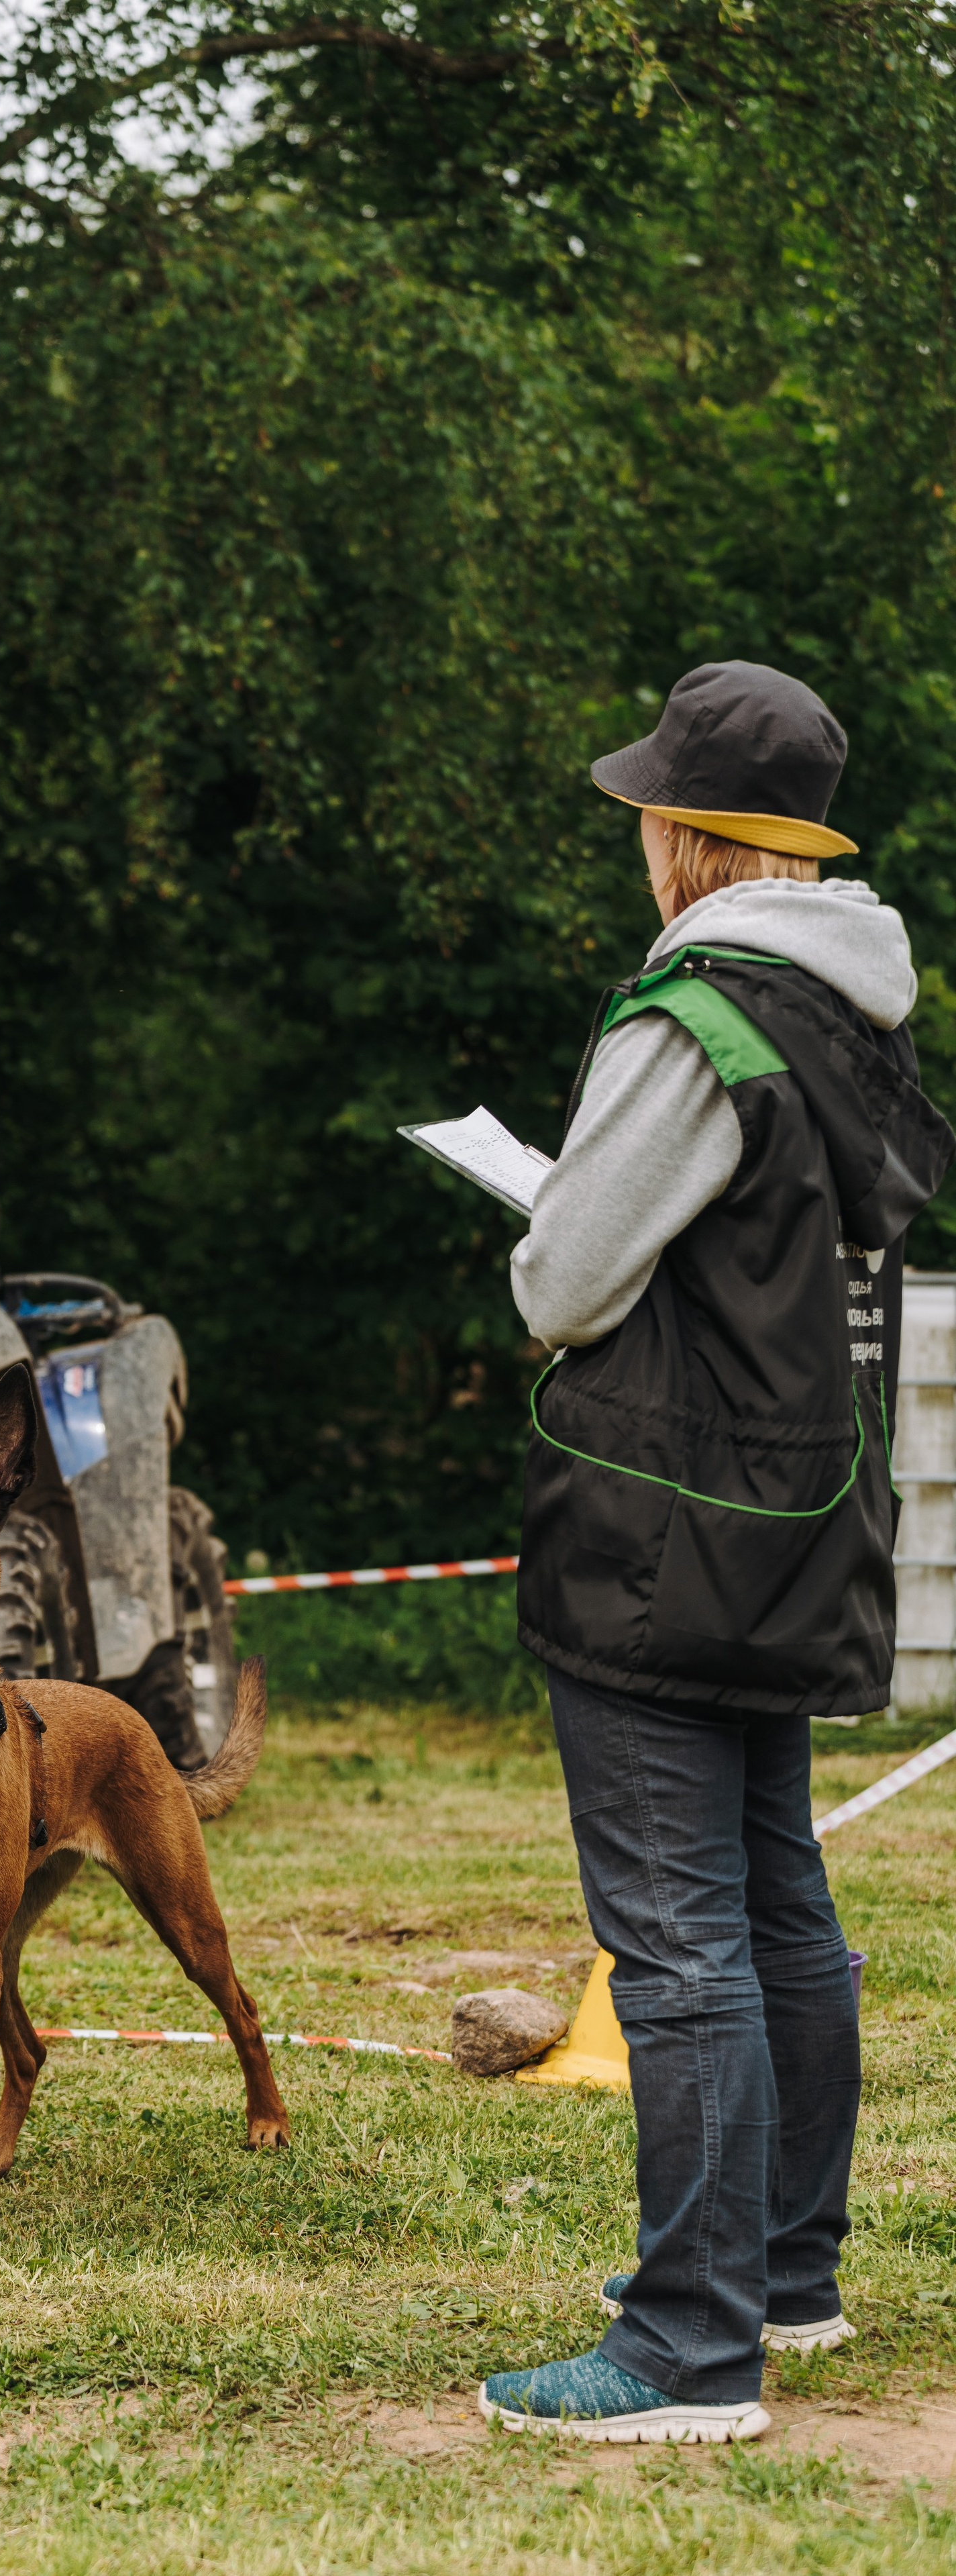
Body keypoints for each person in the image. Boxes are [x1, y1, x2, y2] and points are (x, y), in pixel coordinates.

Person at [480, 662, 953, 2442]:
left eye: (647, 819)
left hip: (665, 1523)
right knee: (777, 1904)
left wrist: (552, 1212)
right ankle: (783, 2271)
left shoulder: (692, 1010)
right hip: (806, 1508)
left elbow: (565, 1276)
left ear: (691, 836)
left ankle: (687, 2348)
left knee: (678, 1937)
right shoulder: (855, 1006)